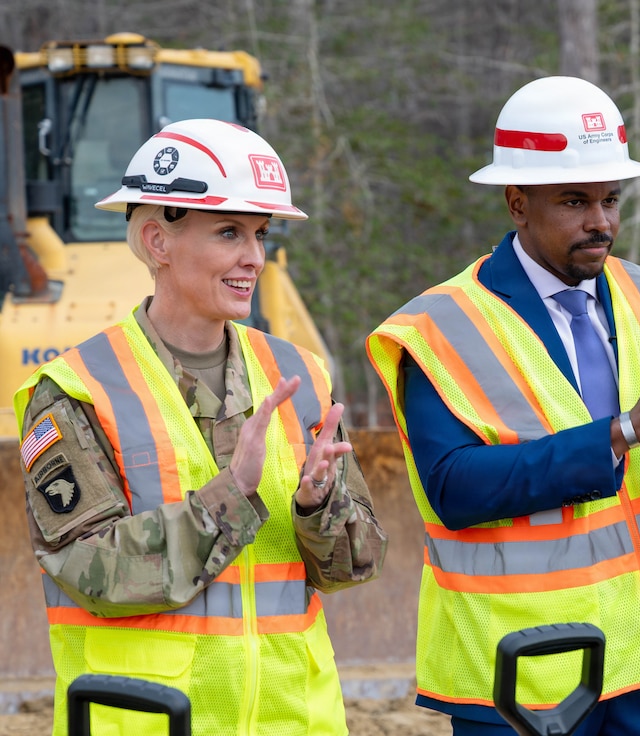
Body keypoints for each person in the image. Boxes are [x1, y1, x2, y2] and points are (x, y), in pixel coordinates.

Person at [367, 76, 640, 735]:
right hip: (518, 681)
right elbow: (453, 489)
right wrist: (626, 430)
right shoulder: (439, 326)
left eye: (609, 198)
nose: (600, 220)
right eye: (575, 200)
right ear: (517, 203)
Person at [14, 118, 387, 736]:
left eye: (260, 234)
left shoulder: (298, 373)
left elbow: (355, 566)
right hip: (143, 721)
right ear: (158, 242)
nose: (254, 258)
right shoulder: (78, 387)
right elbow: (90, 572)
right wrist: (228, 498)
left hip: (292, 721)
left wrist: (319, 506)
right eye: (227, 233)